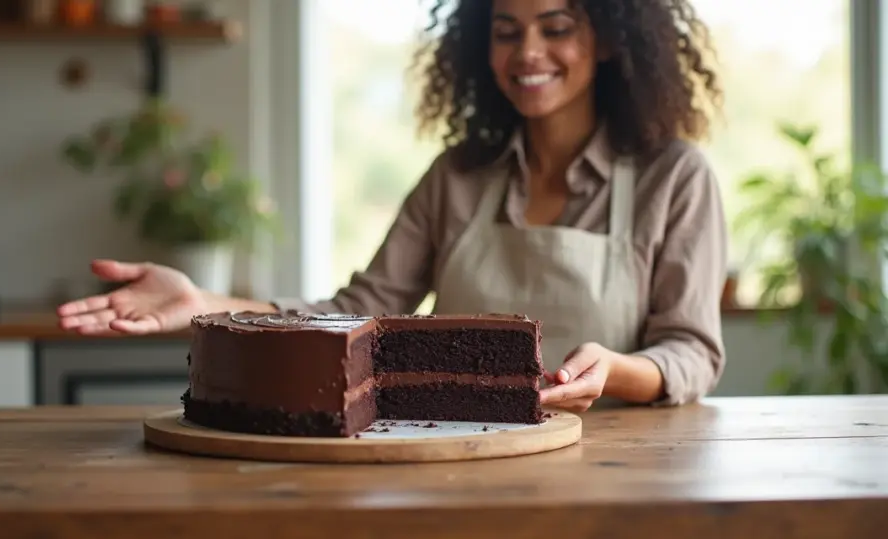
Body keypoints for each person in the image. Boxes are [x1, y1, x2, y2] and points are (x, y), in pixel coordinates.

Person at [58, 0, 727, 413]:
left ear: (608, 39)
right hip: (462, 458)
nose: (527, 52)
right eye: (505, 30)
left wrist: (612, 371)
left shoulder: (674, 178)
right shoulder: (458, 176)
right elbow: (361, 310)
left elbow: (691, 353)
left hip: (616, 465)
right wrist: (205, 301)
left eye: (556, 28)